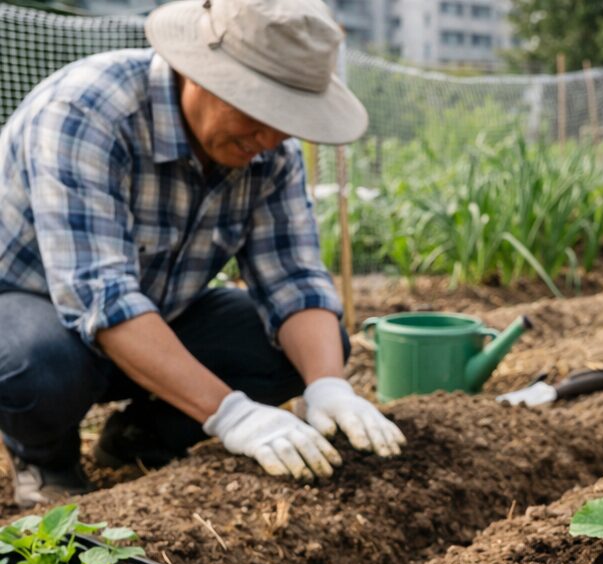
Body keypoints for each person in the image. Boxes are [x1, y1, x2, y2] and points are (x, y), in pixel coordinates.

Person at [0, 0, 405, 508]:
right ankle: (46, 458)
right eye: (260, 111)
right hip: (34, 311)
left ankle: (139, 439)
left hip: (162, 314)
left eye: (287, 120)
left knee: (307, 350)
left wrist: (327, 387)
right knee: (33, 366)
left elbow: (295, 278)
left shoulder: (268, 150)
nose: (272, 137)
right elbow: (101, 296)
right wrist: (232, 414)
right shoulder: (87, 112)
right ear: (201, 73)